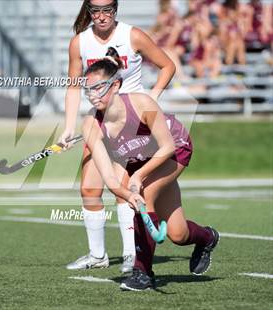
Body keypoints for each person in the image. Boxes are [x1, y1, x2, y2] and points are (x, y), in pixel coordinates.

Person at [81, 47, 219, 291]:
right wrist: (127, 193)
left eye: (98, 87)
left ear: (115, 86)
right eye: (88, 89)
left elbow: (166, 146)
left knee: (145, 194)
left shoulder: (141, 103)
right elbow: (112, 181)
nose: (92, 95)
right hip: (141, 159)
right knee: (178, 234)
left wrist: (138, 176)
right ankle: (208, 237)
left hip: (174, 148)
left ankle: (143, 273)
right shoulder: (91, 125)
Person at [61, 0, 176, 274]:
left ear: (116, 10)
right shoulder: (80, 43)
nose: (101, 17)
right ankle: (97, 254)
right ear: (88, 12)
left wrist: (152, 98)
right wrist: (68, 127)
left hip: (131, 123)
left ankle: (129, 255)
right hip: (100, 121)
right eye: (96, 11)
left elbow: (167, 66)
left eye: (107, 10)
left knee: (123, 189)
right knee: (89, 189)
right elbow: (74, 87)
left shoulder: (132, 35)